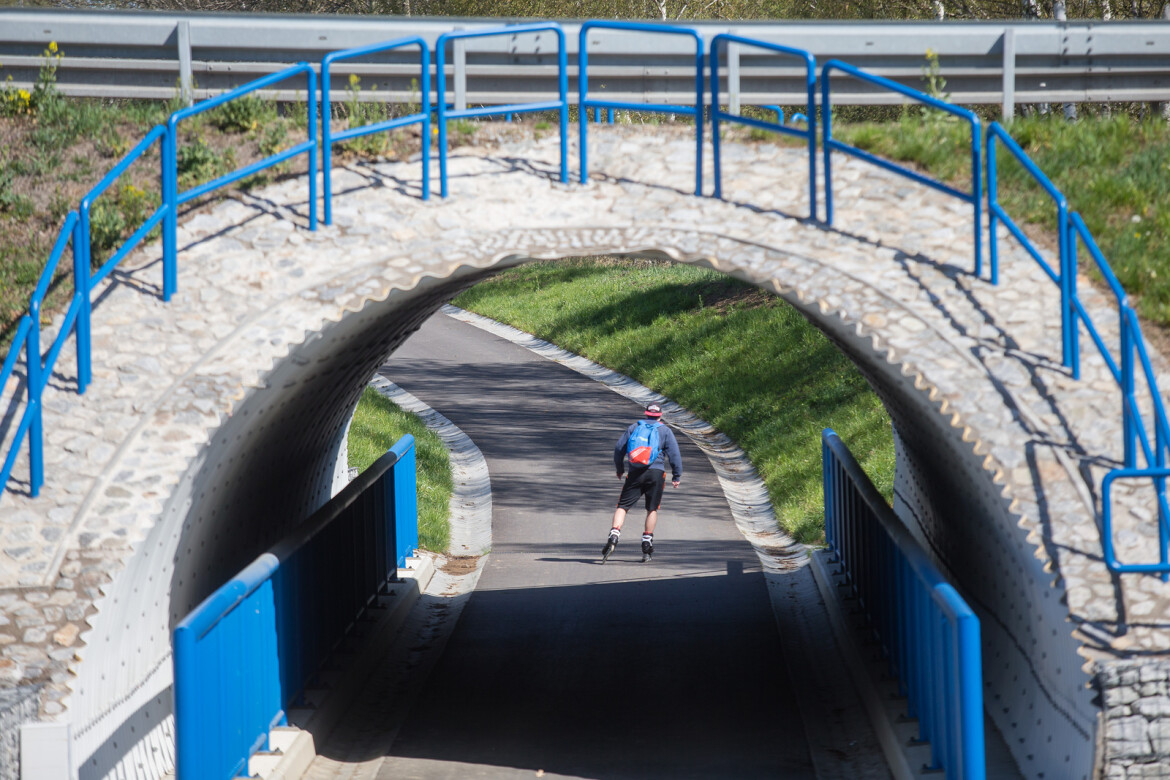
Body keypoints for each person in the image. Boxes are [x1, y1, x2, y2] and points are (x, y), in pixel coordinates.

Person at [603, 403, 682, 561]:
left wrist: (620, 469)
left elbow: (619, 449)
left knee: (622, 506)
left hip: (635, 473)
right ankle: (647, 543)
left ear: (645, 414)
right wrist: (676, 475)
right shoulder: (665, 431)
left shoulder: (634, 427)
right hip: (656, 474)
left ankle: (614, 534)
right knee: (652, 509)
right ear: (660, 415)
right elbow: (674, 455)